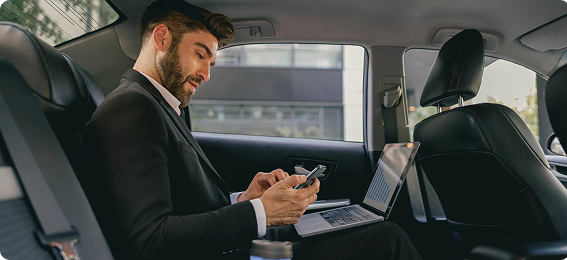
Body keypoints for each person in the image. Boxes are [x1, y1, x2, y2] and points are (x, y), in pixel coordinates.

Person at [89, 0, 424, 259]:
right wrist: (262, 212)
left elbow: (185, 204)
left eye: (212, 63)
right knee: (387, 240)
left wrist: (246, 198)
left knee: (378, 230)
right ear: (162, 38)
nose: (206, 74)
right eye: (200, 55)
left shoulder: (160, 106)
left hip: (232, 242)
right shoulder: (132, 107)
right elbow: (149, 241)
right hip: (226, 252)